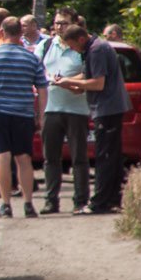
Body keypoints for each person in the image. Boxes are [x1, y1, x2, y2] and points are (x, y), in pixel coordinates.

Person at [0, 16, 48, 218]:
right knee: (24, 158)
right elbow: (42, 88)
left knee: (2, 158)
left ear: (2, 32)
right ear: (21, 33)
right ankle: (28, 204)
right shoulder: (31, 58)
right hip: (23, 113)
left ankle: (6, 204)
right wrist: (41, 115)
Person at [57, 24, 131, 213]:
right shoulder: (94, 48)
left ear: (81, 39)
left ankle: (100, 202)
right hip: (108, 108)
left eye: (72, 45)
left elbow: (98, 83)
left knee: (105, 156)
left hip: (107, 109)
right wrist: (66, 81)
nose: (73, 50)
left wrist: (69, 81)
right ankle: (113, 199)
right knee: (112, 156)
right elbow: (86, 75)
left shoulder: (97, 50)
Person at [39, 9, 91, 214]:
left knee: (79, 158)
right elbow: (36, 69)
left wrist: (66, 81)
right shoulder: (46, 45)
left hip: (76, 109)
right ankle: (51, 201)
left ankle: (81, 200)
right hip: (51, 108)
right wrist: (49, 78)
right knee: (50, 158)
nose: (59, 27)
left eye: (64, 23)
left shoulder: (82, 47)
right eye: (57, 23)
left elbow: (88, 73)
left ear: (74, 24)